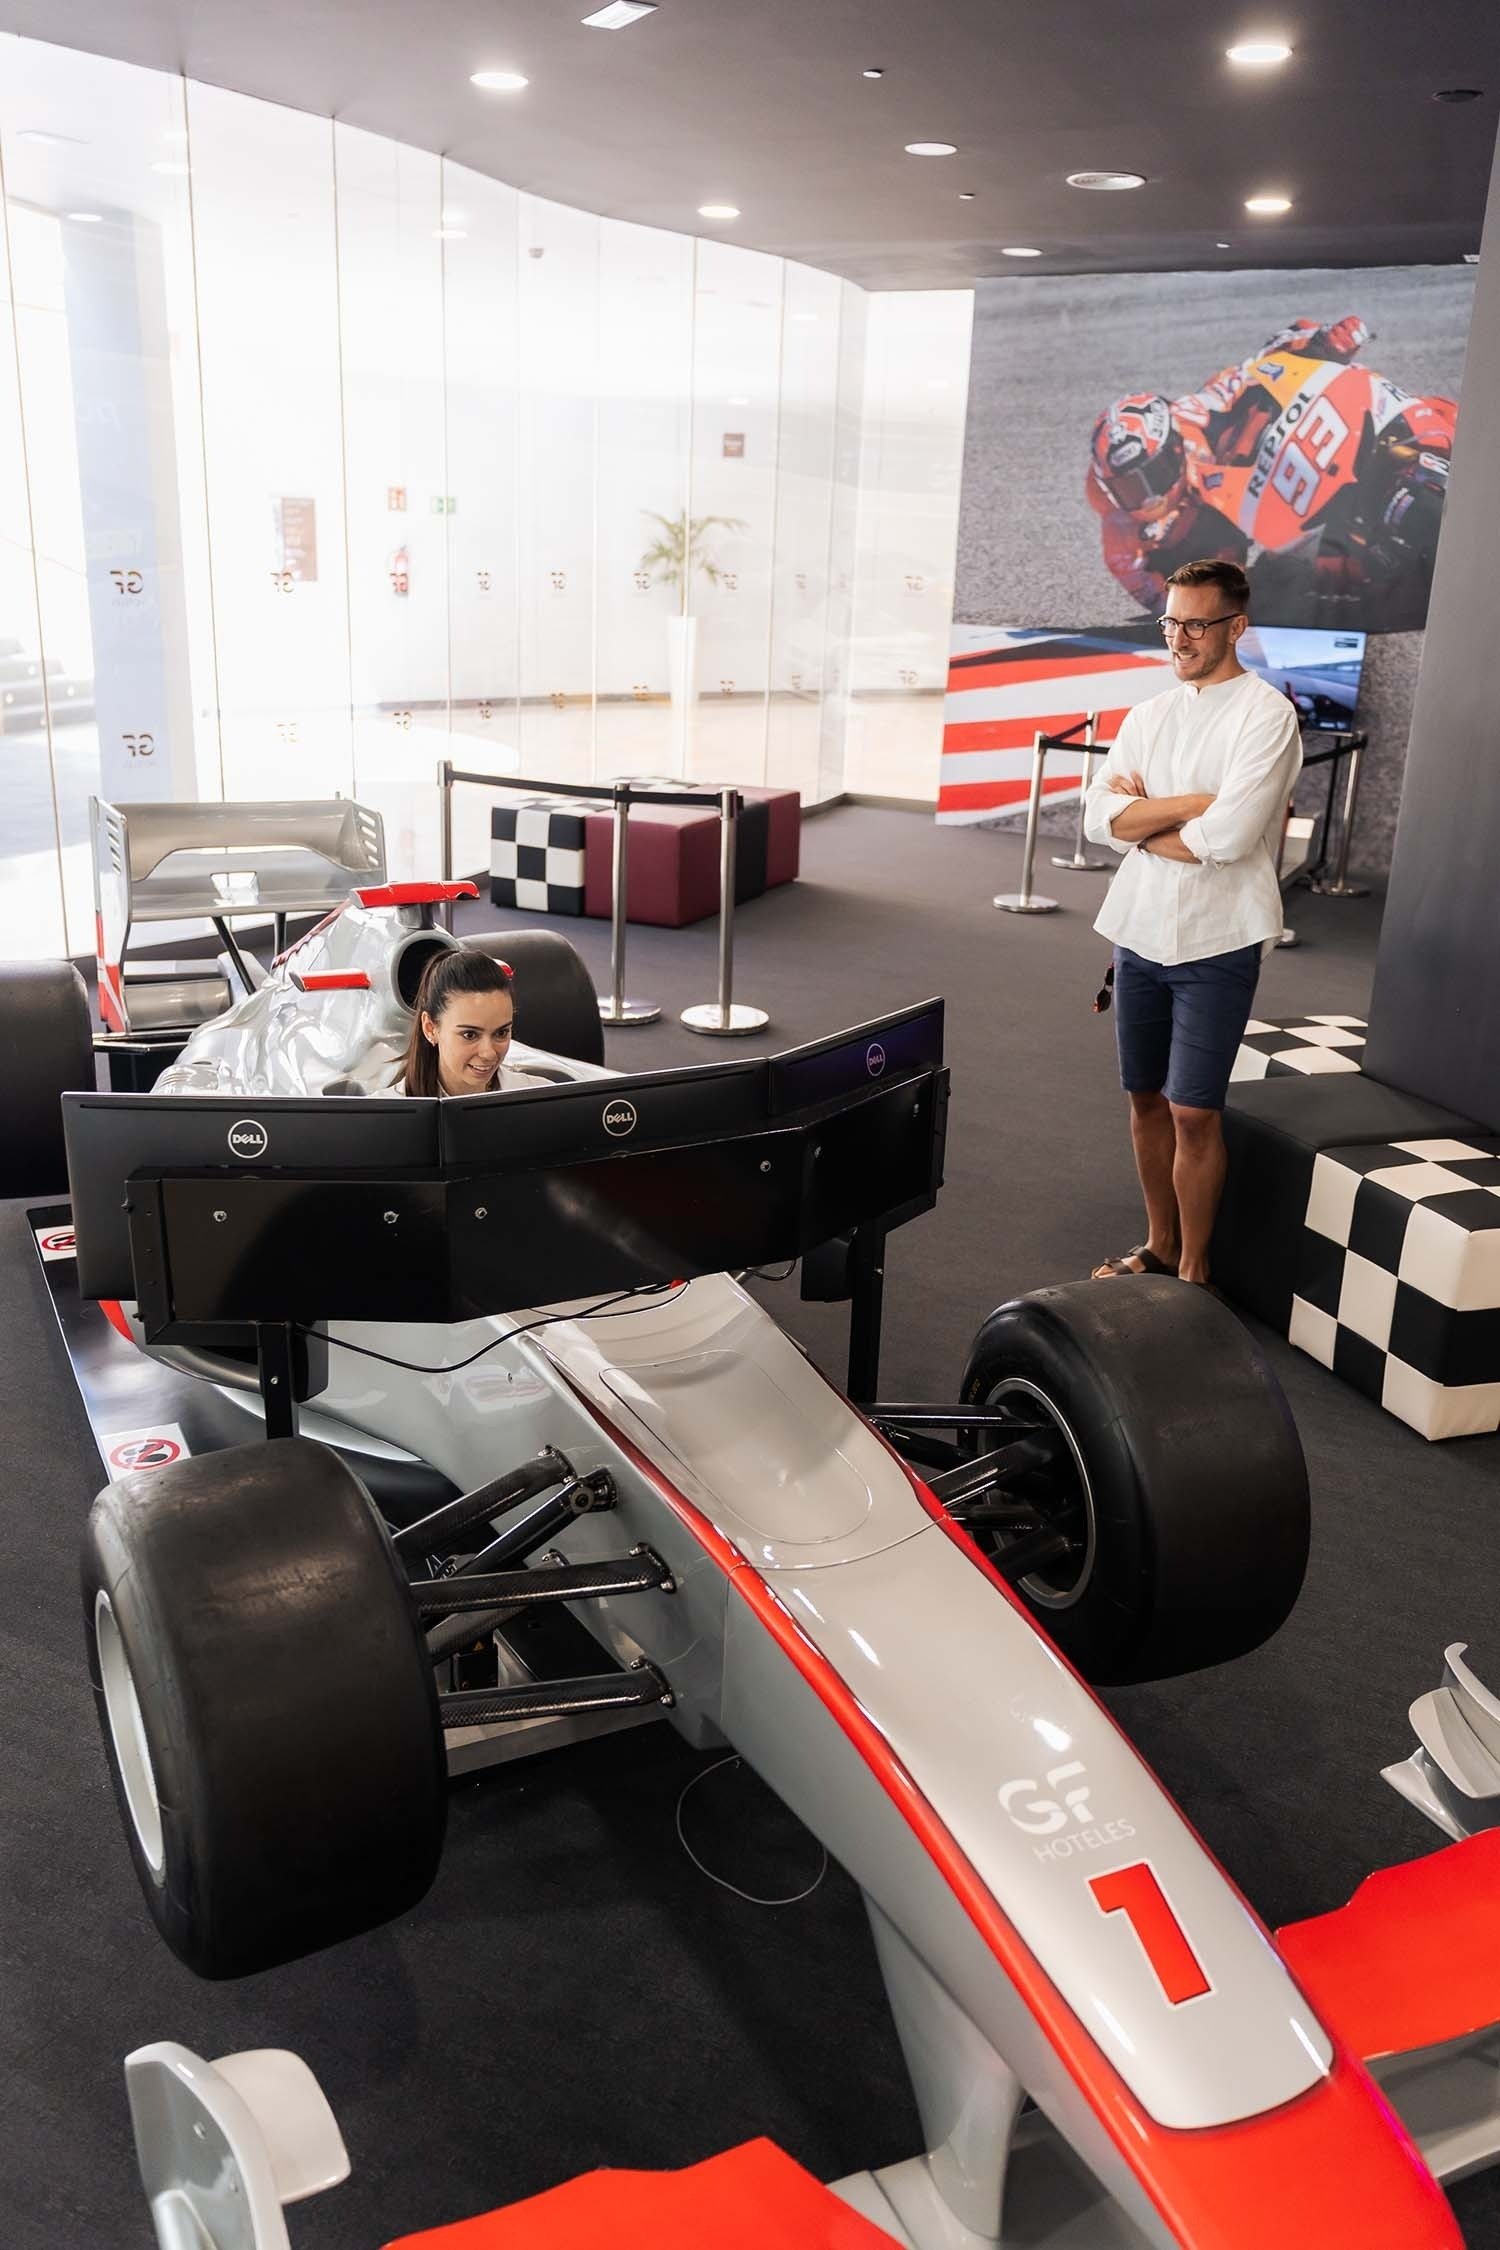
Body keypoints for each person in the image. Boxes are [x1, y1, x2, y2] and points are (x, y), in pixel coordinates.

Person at [1081, 557, 1301, 1288]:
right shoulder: (1148, 715)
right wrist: (1188, 805)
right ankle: (1160, 1246)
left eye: (1196, 624)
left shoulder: (1266, 714)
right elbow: (1096, 820)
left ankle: (1195, 1273)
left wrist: (1141, 822)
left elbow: (1232, 839)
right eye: (1171, 620)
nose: (1179, 637)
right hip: (1137, 930)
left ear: (1236, 626)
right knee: (1143, 1097)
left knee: (1192, 1113)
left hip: (1220, 938)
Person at [397, 950, 520, 1097]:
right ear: (430, 1028)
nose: (488, 1054)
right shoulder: (381, 1115)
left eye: (501, 1033)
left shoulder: (543, 1101)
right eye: (470, 1035)